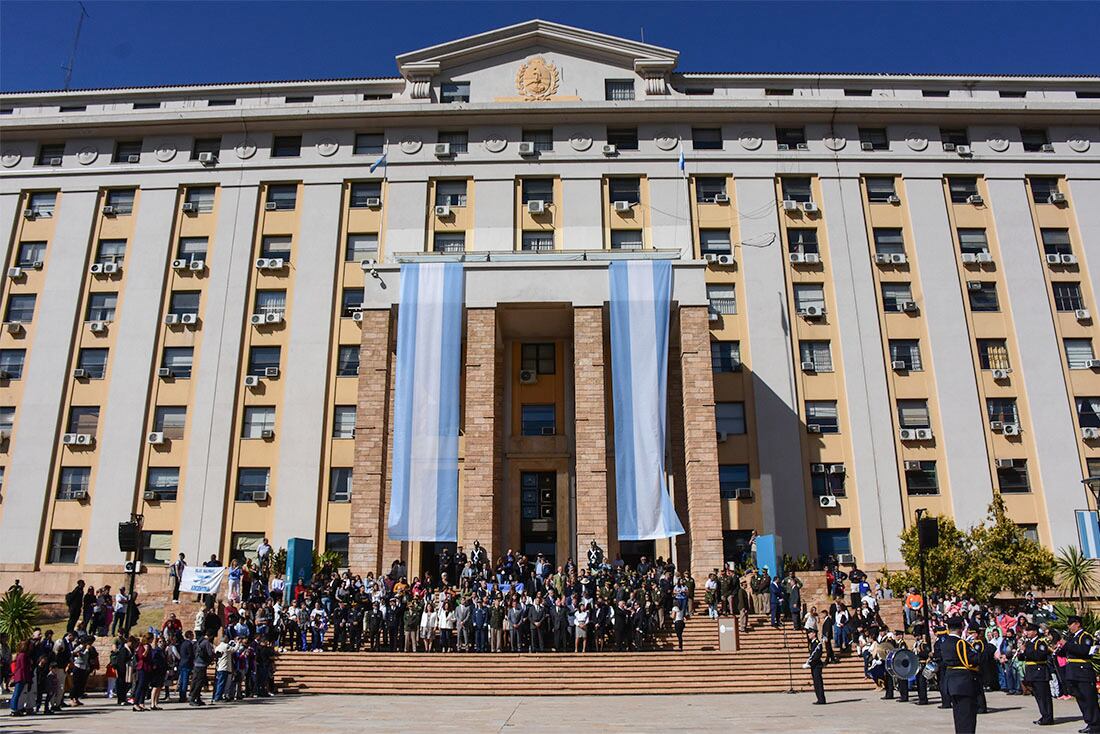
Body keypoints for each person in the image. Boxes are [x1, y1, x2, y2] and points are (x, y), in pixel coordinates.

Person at [1058, 614, 1100, 733]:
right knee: (1081, 698)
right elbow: (1064, 653)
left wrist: (1066, 644)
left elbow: (1084, 651)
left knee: (1089, 698)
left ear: (1077, 624)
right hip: (1073, 672)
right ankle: (1089, 722)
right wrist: (1059, 648)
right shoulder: (1072, 637)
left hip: (1083, 671)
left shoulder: (1085, 636)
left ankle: (1095, 724)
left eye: (1071, 624)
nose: (1069, 627)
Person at [941, 616, 980, 734]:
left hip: (952, 682)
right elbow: (973, 659)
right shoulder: (960, 643)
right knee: (967, 718)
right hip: (964, 682)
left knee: (959, 717)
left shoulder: (945, 642)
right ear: (961, 627)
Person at [1018, 622, 1054, 726]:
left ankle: (1048, 717)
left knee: (1044, 696)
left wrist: (1026, 651)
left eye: (1029, 631)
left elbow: (1040, 655)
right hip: (1032, 672)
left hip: (1039, 672)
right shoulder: (1029, 643)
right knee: (1038, 696)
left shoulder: (1040, 642)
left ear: (1035, 632)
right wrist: (1021, 652)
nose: (1027, 633)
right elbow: (1023, 657)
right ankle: (1044, 715)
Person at [805, 628, 826, 705]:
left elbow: (817, 655)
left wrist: (810, 663)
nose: (808, 635)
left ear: (814, 634)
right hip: (814, 665)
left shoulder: (817, 643)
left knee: (818, 682)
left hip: (817, 665)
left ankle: (821, 699)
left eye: (810, 633)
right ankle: (819, 698)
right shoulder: (812, 643)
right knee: (816, 682)